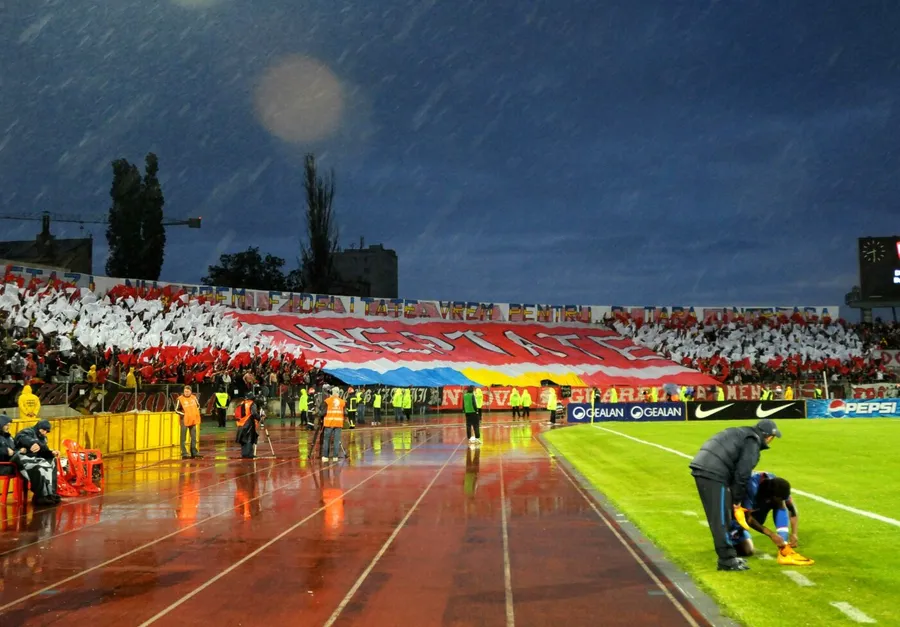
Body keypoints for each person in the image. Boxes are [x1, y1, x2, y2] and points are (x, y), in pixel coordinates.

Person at [689, 419, 782, 572]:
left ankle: (728, 556)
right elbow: (743, 473)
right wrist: (737, 500)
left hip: (707, 466)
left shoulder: (745, 433)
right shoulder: (752, 442)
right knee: (721, 518)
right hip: (713, 471)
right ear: (769, 437)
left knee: (722, 516)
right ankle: (726, 560)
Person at [729, 472, 799, 560]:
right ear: (771, 496)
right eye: (779, 498)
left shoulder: (777, 486)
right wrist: (771, 534)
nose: (782, 501)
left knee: (780, 504)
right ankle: (730, 533)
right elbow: (748, 519)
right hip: (735, 513)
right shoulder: (751, 488)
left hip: (759, 504)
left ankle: (783, 542)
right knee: (747, 551)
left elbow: (791, 509)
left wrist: (794, 533)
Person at [12, 419, 62, 507]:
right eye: (43, 430)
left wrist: (51, 453)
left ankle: (50, 493)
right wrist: (33, 443)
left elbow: (43, 451)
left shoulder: (44, 438)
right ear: (38, 427)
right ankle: (41, 495)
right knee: (39, 467)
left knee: (52, 462)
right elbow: (22, 438)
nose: (44, 432)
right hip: (23, 458)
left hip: (36, 458)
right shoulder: (27, 432)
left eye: (47, 431)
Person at [175, 385, 203, 460]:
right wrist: (184, 414)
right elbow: (176, 410)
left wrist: (194, 413)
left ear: (191, 391)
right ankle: (184, 453)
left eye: (188, 391)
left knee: (193, 437)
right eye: (185, 391)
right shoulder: (180, 399)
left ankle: (194, 452)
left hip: (193, 420)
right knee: (183, 437)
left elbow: (198, 406)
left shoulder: (194, 397)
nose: (186, 393)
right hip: (184, 420)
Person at [235, 393, 262, 459]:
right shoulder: (252, 404)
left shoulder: (242, 403)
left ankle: (244, 453)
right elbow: (254, 413)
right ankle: (248, 454)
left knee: (243, 440)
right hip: (248, 424)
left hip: (240, 424)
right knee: (249, 439)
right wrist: (259, 418)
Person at [322, 387, 345, 463]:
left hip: (329, 423)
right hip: (338, 423)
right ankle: (335, 457)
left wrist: (319, 416)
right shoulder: (342, 402)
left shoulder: (327, 401)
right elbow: (345, 412)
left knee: (326, 440)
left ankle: (325, 457)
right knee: (336, 440)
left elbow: (323, 412)